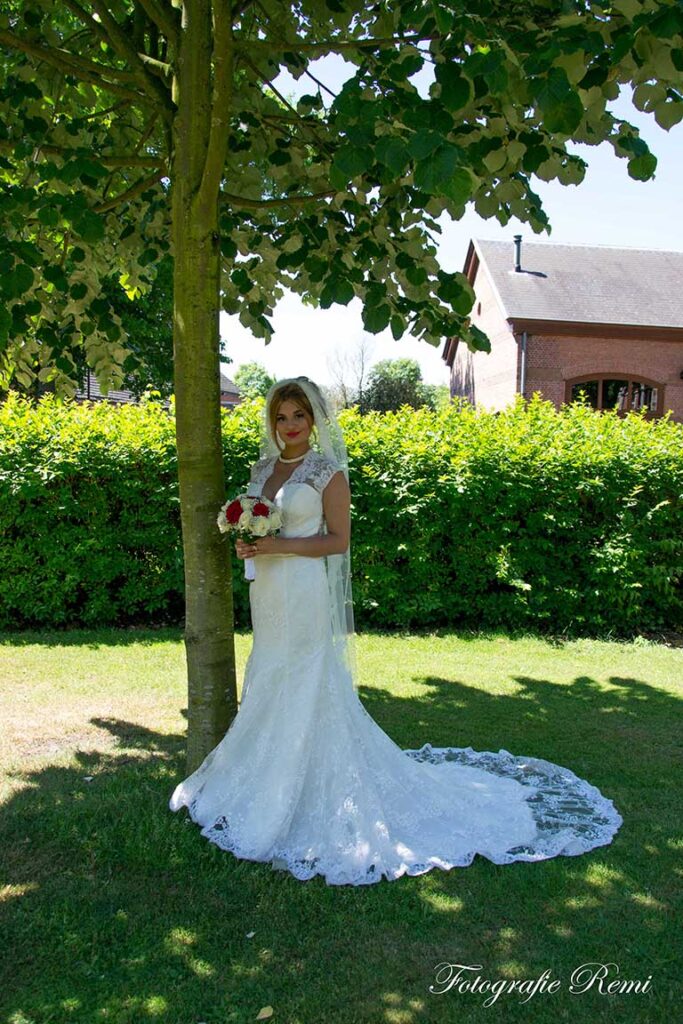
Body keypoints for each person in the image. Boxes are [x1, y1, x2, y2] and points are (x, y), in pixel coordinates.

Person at [169, 376, 622, 886]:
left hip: (301, 589)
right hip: (267, 589)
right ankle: (260, 782)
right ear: (272, 422)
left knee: (304, 678)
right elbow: (257, 523)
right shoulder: (263, 469)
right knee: (271, 672)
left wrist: (277, 548)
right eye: (281, 417)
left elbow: (337, 542)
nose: (290, 426)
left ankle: (302, 791)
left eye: (298, 416)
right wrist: (249, 544)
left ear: (314, 420)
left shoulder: (327, 473)